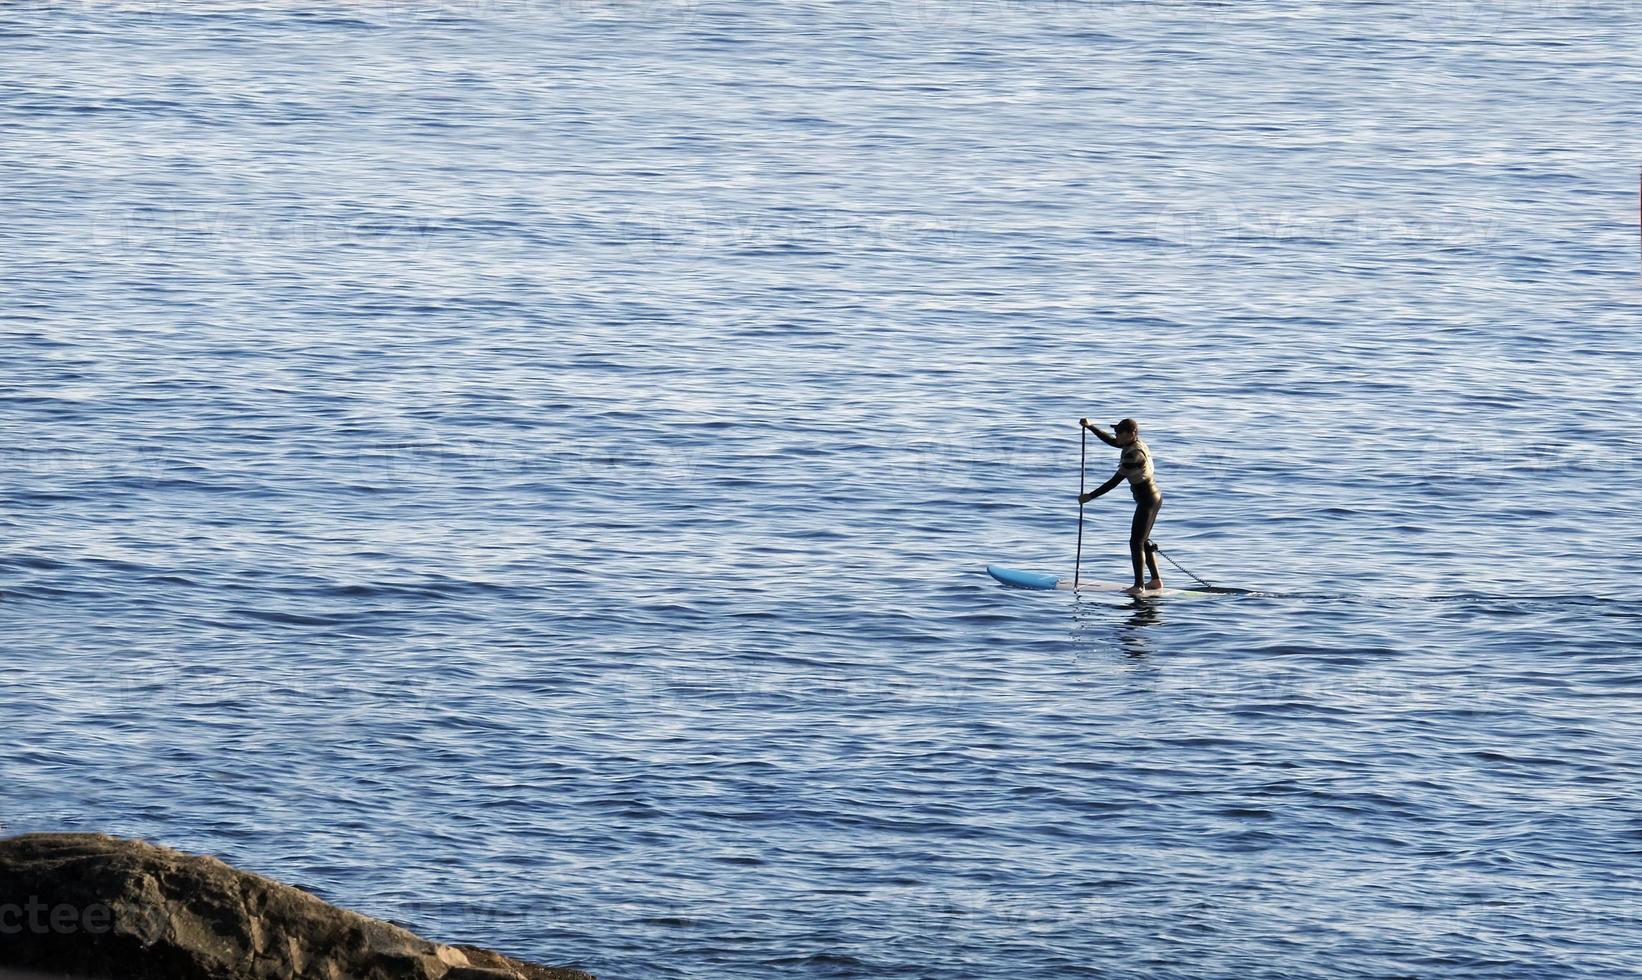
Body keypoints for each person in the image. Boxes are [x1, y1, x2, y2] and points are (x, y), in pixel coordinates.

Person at [1078, 417, 1163, 595]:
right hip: (1151, 497)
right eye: (1116, 432)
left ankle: (1139, 586)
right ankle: (1155, 581)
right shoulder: (1134, 443)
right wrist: (1091, 427)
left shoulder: (1134, 455)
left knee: (1136, 542)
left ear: (1131, 434)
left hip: (1148, 500)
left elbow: (1114, 482)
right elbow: (1112, 441)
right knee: (1142, 540)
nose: (1116, 436)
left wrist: (1090, 496)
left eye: (1119, 433)